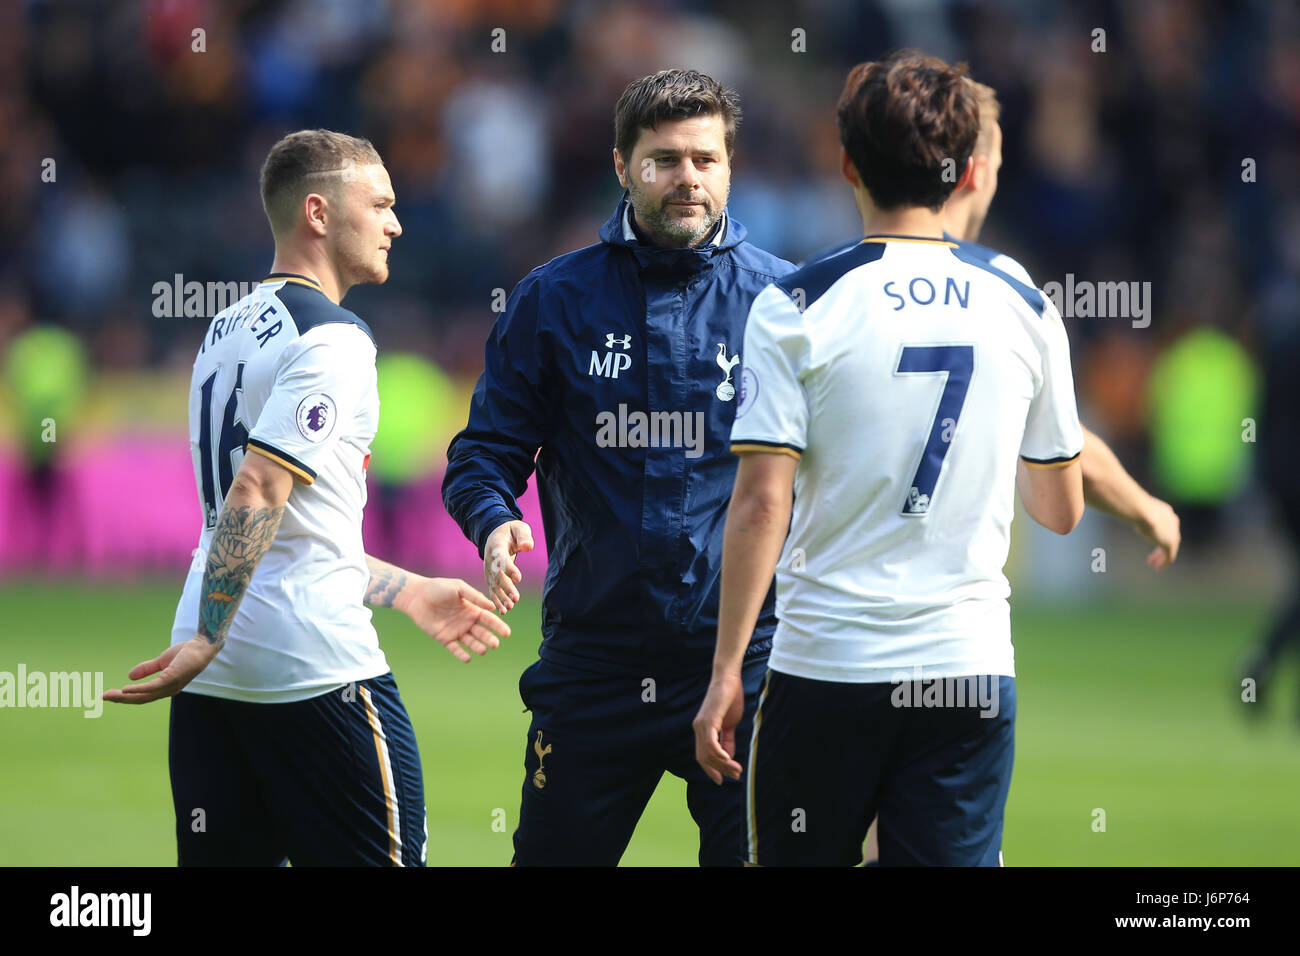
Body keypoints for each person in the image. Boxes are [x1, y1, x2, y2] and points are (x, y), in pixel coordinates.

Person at [694, 50, 1084, 866]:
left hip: (828, 667)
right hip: (967, 669)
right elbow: (1059, 510)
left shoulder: (796, 303)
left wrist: (728, 668)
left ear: (845, 163)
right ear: (967, 170)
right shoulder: (1022, 300)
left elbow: (762, 503)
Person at [104, 129, 510, 867]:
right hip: (309, 669)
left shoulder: (224, 329)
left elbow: (295, 530)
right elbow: (259, 488)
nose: (396, 223)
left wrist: (407, 588)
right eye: (380, 204)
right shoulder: (335, 339)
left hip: (216, 673)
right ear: (319, 212)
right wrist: (210, 634)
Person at [442, 69, 794, 866]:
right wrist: (496, 522)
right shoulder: (553, 300)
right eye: (664, 160)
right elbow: (483, 456)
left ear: (731, 165)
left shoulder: (786, 305)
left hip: (748, 662)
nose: (688, 179)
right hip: (595, 663)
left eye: (705, 159)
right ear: (621, 165)